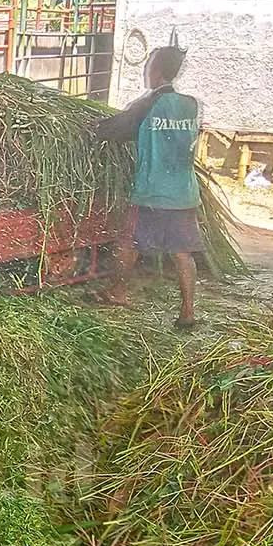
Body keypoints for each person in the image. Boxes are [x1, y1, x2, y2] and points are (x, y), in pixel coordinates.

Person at [97, 41, 203, 330]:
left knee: (128, 242)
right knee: (182, 252)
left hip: (151, 191)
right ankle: (188, 311)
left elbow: (113, 130)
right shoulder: (191, 105)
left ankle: (117, 292)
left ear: (156, 71)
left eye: (148, 65)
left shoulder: (146, 105)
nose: (146, 70)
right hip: (184, 191)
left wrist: (93, 128)